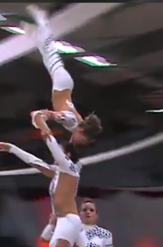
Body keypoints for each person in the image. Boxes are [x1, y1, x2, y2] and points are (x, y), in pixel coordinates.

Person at [23, 4, 103, 143]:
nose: (82, 143)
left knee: (46, 54)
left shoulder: (77, 123)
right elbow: (47, 114)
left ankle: (33, 33)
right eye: (84, 141)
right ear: (82, 133)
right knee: (50, 50)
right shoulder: (72, 122)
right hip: (61, 84)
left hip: (64, 85)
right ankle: (42, 19)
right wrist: (43, 125)